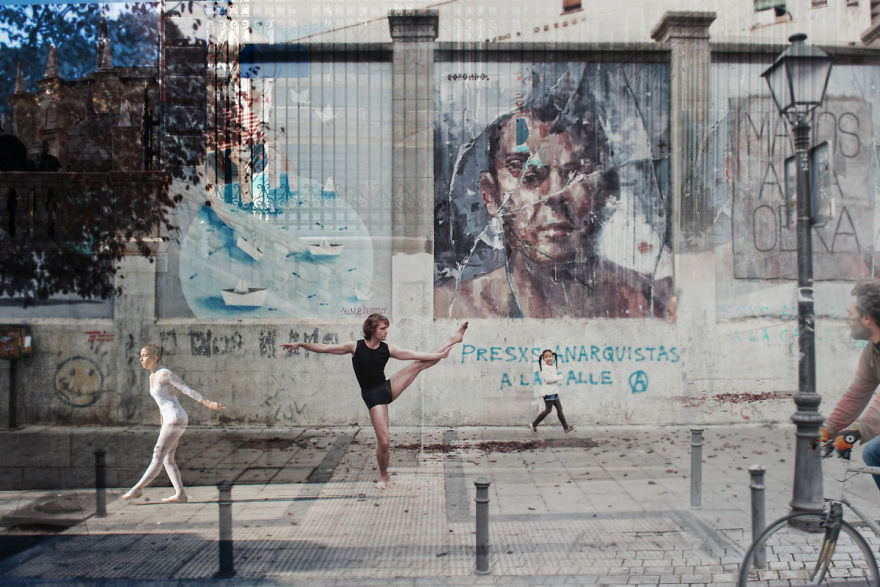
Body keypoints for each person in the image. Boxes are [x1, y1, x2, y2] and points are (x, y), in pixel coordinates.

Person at [434, 91, 673, 319]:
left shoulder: (649, 304)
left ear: (604, 190)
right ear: (491, 195)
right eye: (530, 176)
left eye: (574, 174)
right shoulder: (450, 308)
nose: (554, 195)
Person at [282, 314, 467, 490]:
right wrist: (300, 344)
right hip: (373, 397)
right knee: (384, 441)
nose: (387, 332)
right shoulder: (355, 347)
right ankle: (384, 475)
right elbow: (324, 348)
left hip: (387, 388)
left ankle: (453, 339)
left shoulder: (388, 349)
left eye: (387, 328)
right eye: (383, 328)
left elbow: (416, 354)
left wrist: (439, 356)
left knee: (418, 364)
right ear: (372, 330)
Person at [123, 344, 227, 503]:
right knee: (167, 459)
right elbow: (162, 403)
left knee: (158, 454)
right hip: (170, 420)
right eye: (141, 356)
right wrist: (162, 422)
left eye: (144, 356)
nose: (141, 359)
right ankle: (180, 494)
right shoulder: (151, 376)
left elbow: (186, 389)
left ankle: (137, 489)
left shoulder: (165, 373)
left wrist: (208, 403)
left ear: (155, 357)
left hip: (176, 418)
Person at [820, 282, 880, 491]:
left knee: (874, 450)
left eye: (850, 314)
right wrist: (829, 428)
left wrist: (857, 431)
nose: (848, 321)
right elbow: (857, 393)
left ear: (867, 318)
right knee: (873, 452)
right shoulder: (872, 352)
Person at [530, 349, 574, 434]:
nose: (548, 358)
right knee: (548, 410)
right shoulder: (545, 368)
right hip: (548, 392)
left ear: (553, 357)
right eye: (546, 357)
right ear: (543, 359)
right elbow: (548, 380)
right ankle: (533, 424)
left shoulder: (553, 365)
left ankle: (566, 428)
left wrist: (557, 377)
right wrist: (559, 377)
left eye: (550, 356)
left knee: (559, 408)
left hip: (554, 391)